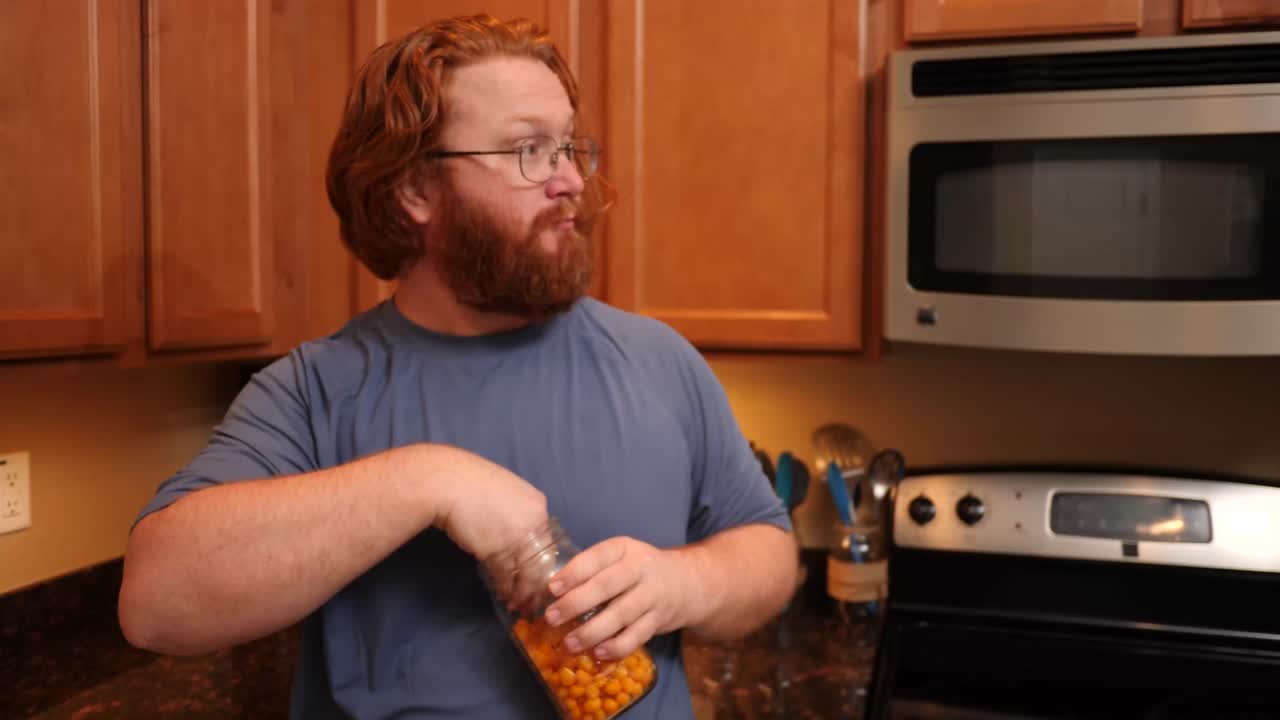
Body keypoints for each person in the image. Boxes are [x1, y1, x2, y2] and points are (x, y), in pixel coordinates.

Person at [118, 13, 796, 720]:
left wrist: (684, 583)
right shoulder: (317, 390)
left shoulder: (658, 359)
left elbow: (769, 552)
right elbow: (157, 605)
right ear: (415, 190)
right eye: (528, 149)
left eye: (569, 146)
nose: (569, 178)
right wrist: (427, 480)